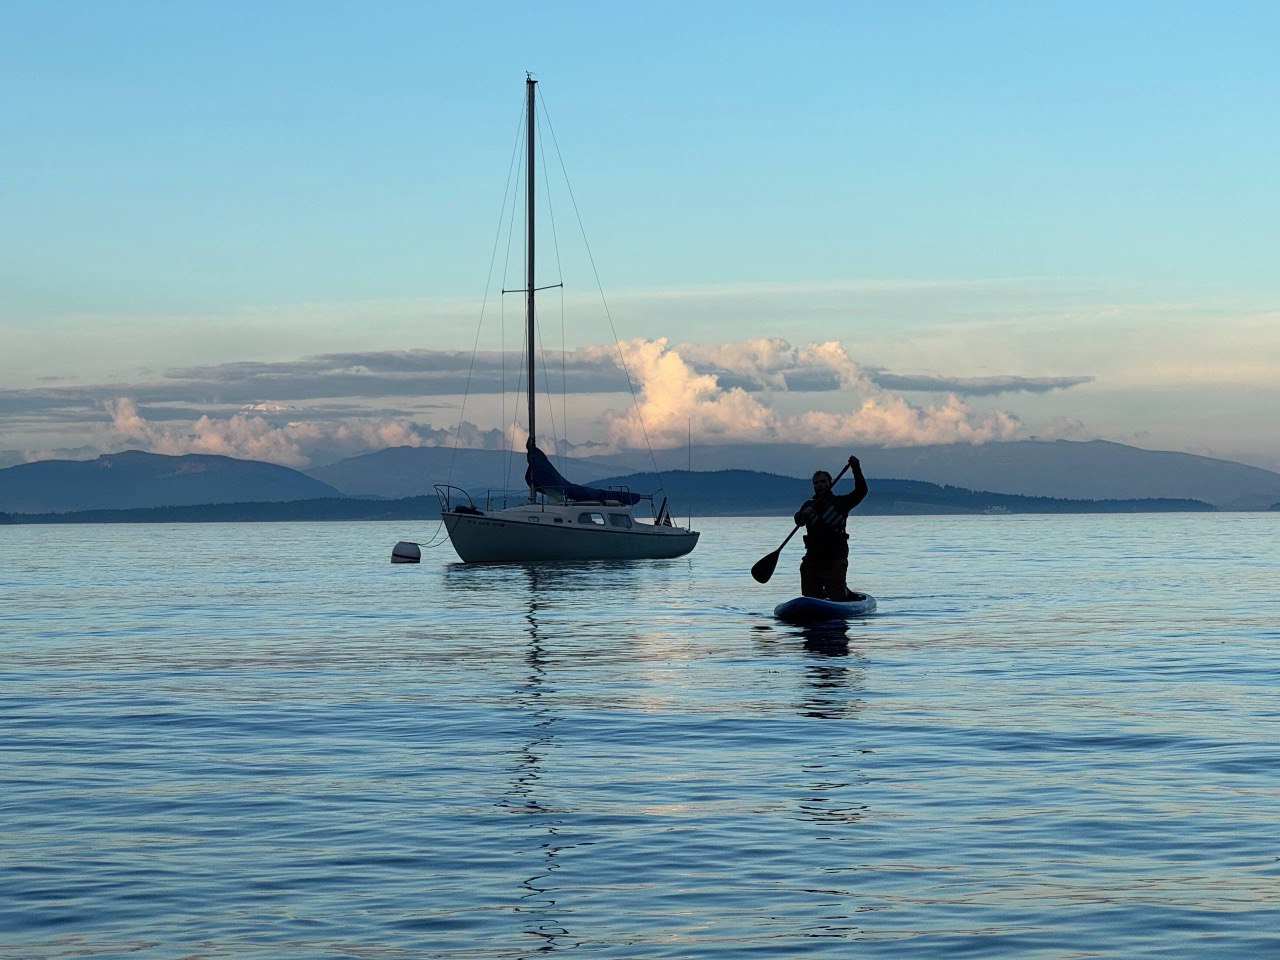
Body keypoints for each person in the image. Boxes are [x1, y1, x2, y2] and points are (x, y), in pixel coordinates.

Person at [794, 455, 868, 600]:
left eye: (823, 482)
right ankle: (828, 593)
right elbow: (798, 521)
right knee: (810, 595)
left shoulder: (840, 503)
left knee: (837, 596)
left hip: (835, 559)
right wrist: (803, 514)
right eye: (816, 483)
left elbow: (861, 491)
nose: (819, 485)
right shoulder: (809, 505)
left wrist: (856, 468)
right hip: (812, 560)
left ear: (830, 483)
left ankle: (845, 592)